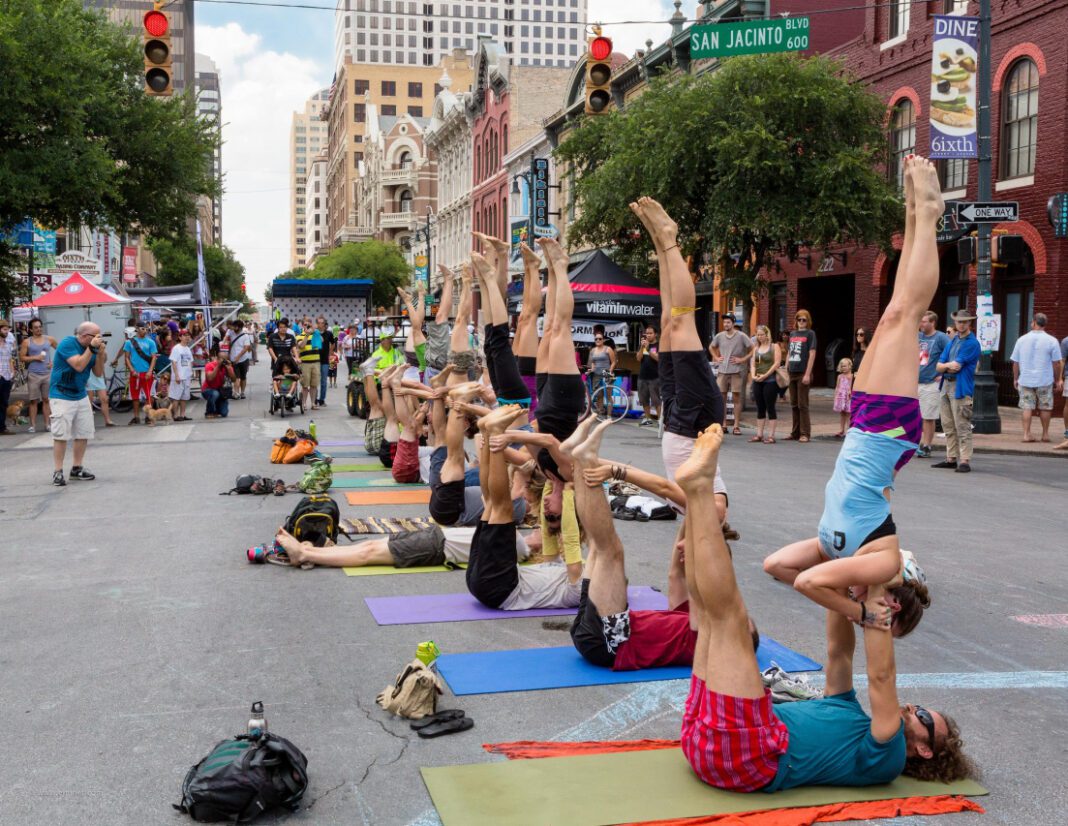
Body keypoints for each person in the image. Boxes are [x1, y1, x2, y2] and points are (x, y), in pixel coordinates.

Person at [678, 425, 974, 793]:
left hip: (745, 757)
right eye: (921, 708)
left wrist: (880, 582)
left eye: (924, 717)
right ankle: (696, 496)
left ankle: (700, 491)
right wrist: (855, 578)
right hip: (702, 738)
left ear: (924, 751)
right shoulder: (847, 708)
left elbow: (882, 678)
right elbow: (839, 652)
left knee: (731, 621)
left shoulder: (886, 757)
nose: (913, 708)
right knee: (706, 617)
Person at [763, 157, 942, 635]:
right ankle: (927, 211)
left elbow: (778, 567)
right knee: (905, 313)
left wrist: (844, 601)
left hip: (868, 428)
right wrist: (860, 612)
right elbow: (810, 583)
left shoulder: (839, 554)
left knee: (891, 314)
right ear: (892, 606)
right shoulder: (879, 566)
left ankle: (914, 211)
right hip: (886, 433)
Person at [566, 417, 752, 672]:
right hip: (605, 630)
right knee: (600, 549)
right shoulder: (687, 614)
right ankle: (579, 461)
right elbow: (675, 573)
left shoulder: (707, 630)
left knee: (611, 551)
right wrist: (697, 515)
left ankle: (584, 459)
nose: (682, 550)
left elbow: (707, 585)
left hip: (613, 642)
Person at [628, 197, 727, 512]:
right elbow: (716, 510)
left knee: (667, 323)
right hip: (697, 418)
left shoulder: (690, 518)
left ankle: (659, 243)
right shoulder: (711, 511)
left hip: (675, 418)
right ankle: (670, 237)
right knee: (682, 320)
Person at [466, 404, 582, 610]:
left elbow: (572, 540)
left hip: (501, 589)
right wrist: (554, 484)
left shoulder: (579, 585)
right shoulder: (557, 567)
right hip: (484, 584)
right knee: (491, 502)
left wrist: (568, 491)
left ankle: (492, 431)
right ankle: (486, 429)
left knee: (502, 508)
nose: (547, 510)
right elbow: (549, 534)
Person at [272, 523, 530, 570]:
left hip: (437, 548)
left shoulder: (518, 547)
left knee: (368, 553)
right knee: (370, 544)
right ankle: (312, 552)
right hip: (436, 535)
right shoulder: (516, 534)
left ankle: (304, 553)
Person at [49, 322, 106, 485]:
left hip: (80, 393)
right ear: (83, 336)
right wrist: (92, 349)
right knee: (61, 434)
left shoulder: (93, 348)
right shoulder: (68, 343)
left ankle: (76, 468)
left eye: (99, 335)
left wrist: (100, 354)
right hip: (61, 394)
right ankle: (58, 471)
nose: (98, 338)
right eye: (95, 335)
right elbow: (79, 365)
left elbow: (98, 372)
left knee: (83, 432)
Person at [934, 308, 982, 472]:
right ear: (955, 323)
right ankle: (951, 458)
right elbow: (939, 366)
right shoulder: (953, 341)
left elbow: (956, 366)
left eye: (965, 321)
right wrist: (946, 367)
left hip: (960, 387)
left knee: (962, 425)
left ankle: (965, 461)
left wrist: (945, 367)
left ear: (970, 323)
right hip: (946, 386)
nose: (961, 324)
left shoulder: (972, 343)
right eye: (959, 322)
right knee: (948, 424)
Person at [1010, 312, 1063, 443]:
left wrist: (1016, 378)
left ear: (1033, 322)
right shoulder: (1052, 340)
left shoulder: (1021, 339)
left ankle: (1026, 434)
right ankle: (1045, 434)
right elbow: (1056, 363)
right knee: (1045, 407)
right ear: (1045, 324)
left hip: (1026, 378)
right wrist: (1057, 379)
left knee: (1027, 407)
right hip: (1044, 379)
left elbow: (1015, 362)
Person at [709, 314, 753, 435]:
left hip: (736, 371)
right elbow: (711, 347)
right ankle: (723, 424)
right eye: (724, 323)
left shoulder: (741, 336)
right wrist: (716, 358)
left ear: (733, 323)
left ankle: (736, 425)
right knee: (721, 399)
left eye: (728, 322)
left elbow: (753, 348)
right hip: (722, 371)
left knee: (736, 399)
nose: (726, 325)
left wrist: (743, 359)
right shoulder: (719, 336)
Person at [916, 311, 951, 458]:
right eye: (921, 321)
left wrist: (943, 373)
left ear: (932, 323)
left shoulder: (941, 338)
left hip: (931, 383)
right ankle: (914, 443)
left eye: (924, 322)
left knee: (928, 416)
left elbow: (952, 354)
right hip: (915, 382)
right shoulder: (919, 336)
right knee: (915, 416)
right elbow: (922, 358)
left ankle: (927, 445)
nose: (921, 324)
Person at [19, 318, 58, 433]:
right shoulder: (27, 341)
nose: (38, 329)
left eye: (40, 326)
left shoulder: (49, 339)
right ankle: (33, 425)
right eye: (35, 327)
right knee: (33, 401)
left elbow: (61, 350)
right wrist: (35, 357)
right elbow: (22, 358)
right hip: (33, 374)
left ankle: (47, 424)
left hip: (47, 374)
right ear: (31, 329)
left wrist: (54, 363)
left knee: (46, 400)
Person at [786, 309, 817, 442]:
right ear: (796, 321)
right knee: (793, 404)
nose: (801, 322)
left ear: (808, 321)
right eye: (799, 319)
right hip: (792, 372)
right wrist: (786, 367)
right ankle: (795, 433)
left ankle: (805, 433)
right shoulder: (793, 334)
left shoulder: (810, 334)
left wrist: (807, 374)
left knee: (802, 404)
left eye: (804, 320)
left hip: (803, 373)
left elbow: (812, 353)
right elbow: (789, 352)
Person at [748, 324, 780, 444]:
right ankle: (759, 434)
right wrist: (753, 376)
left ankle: (771, 435)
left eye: (762, 334)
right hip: (758, 380)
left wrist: (765, 375)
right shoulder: (756, 349)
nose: (760, 337)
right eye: (758, 335)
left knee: (770, 407)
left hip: (770, 381)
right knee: (760, 407)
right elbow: (754, 364)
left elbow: (776, 364)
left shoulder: (774, 347)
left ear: (767, 335)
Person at [122, 322, 158, 425]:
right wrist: (132, 370)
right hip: (135, 374)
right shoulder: (129, 343)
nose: (144, 330)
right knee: (135, 397)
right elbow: (127, 358)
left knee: (149, 396)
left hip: (147, 373)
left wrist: (150, 370)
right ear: (137, 329)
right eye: (142, 328)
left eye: (146, 329)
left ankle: (148, 416)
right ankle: (136, 417)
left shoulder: (151, 342)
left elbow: (154, 357)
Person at [86, 339, 116, 427]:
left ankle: (107, 420)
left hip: (98, 377)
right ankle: (89, 422)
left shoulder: (102, 352)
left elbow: (103, 362)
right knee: (89, 401)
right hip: (88, 376)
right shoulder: (88, 350)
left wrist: (103, 352)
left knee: (104, 399)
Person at [202, 344, 236, 419]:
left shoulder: (227, 366)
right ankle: (209, 411)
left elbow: (234, 379)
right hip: (208, 389)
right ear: (217, 359)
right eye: (222, 359)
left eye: (225, 359)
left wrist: (229, 368)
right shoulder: (210, 365)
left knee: (224, 413)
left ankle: (217, 407)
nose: (224, 361)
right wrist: (218, 366)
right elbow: (210, 378)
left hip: (221, 390)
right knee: (215, 394)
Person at [637, 325, 661, 427]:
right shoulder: (643, 345)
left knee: (656, 400)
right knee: (644, 399)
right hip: (642, 376)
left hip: (655, 377)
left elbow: (659, 359)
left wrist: (648, 349)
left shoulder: (658, 345)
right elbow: (638, 358)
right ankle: (647, 418)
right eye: (647, 333)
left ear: (655, 334)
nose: (648, 335)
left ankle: (661, 420)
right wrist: (642, 348)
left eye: (650, 333)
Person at [168, 329, 195, 421]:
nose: (187, 337)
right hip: (178, 377)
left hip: (186, 377)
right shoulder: (176, 348)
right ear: (180, 337)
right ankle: (175, 416)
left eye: (188, 335)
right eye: (184, 335)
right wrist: (176, 375)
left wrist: (190, 373)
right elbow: (174, 362)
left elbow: (190, 362)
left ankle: (182, 415)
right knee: (176, 397)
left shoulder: (188, 349)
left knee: (184, 397)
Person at [296, 320, 323, 410]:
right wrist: (307, 335)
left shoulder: (315, 334)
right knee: (305, 385)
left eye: (309, 324)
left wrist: (315, 331)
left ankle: (313, 403)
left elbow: (322, 341)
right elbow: (302, 345)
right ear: (302, 325)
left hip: (316, 362)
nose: (307, 326)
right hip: (305, 363)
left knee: (314, 385)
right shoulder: (300, 336)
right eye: (305, 324)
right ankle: (303, 404)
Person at [228, 320, 254, 400]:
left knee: (243, 377)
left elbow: (246, 348)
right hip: (233, 359)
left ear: (239, 327)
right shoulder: (231, 333)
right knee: (236, 377)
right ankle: (236, 393)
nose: (234, 328)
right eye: (233, 326)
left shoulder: (245, 336)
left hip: (243, 359)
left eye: (235, 326)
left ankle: (242, 392)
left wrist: (238, 357)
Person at [0, 319, 16, 437]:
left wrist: (12, 372)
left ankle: (2, 427)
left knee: (4, 403)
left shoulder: (8, 344)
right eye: (5, 329)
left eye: (8, 329)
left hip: (6, 377)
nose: (7, 331)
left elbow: (10, 359)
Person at [316, 316, 335, 405]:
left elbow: (333, 343)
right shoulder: (314, 333)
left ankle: (322, 399)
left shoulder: (329, 333)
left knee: (323, 381)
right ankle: (314, 399)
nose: (320, 325)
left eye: (322, 323)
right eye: (318, 323)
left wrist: (330, 353)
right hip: (315, 360)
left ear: (325, 324)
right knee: (315, 381)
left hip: (324, 360)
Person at [832, 358, 853, 438]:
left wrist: (851, 392)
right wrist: (836, 396)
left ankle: (849, 429)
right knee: (842, 414)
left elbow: (851, 386)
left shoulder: (851, 376)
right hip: (841, 397)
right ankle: (841, 429)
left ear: (850, 366)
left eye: (845, 366)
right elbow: (837, 387)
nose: (843, 368)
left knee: (848, 414)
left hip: (847, 397)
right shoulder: (840, 376)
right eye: (842, 366)